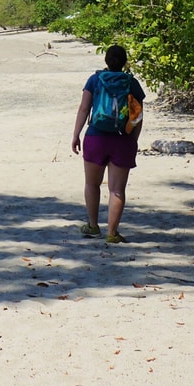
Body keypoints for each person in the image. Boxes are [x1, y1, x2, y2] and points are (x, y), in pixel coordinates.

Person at [71, 45, 145, 244]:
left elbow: (84, 108)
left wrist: (76, 135)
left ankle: (93, 226)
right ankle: (112, 233)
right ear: (125, 62)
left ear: (106, 60)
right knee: (117, 190)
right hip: (122, 139)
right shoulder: (132, 83)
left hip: (96, 137)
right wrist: (133, 140)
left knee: (91, 184)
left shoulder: (94, 80)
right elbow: (137, 116)